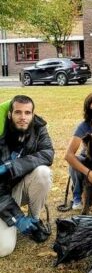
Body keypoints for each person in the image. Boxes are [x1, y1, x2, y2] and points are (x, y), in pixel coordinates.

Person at [0, 95, 53, 257]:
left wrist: (12, 166)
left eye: (27, 113)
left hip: (21, 186)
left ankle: (34, 219)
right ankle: (19, 222)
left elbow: (47, 153)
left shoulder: (38, 128)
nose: (23, 117)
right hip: (2, 195)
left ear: (32, 114)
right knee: (4, 249)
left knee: (43, 172)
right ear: (10, 114)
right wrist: (17, 218)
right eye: (18, 112)